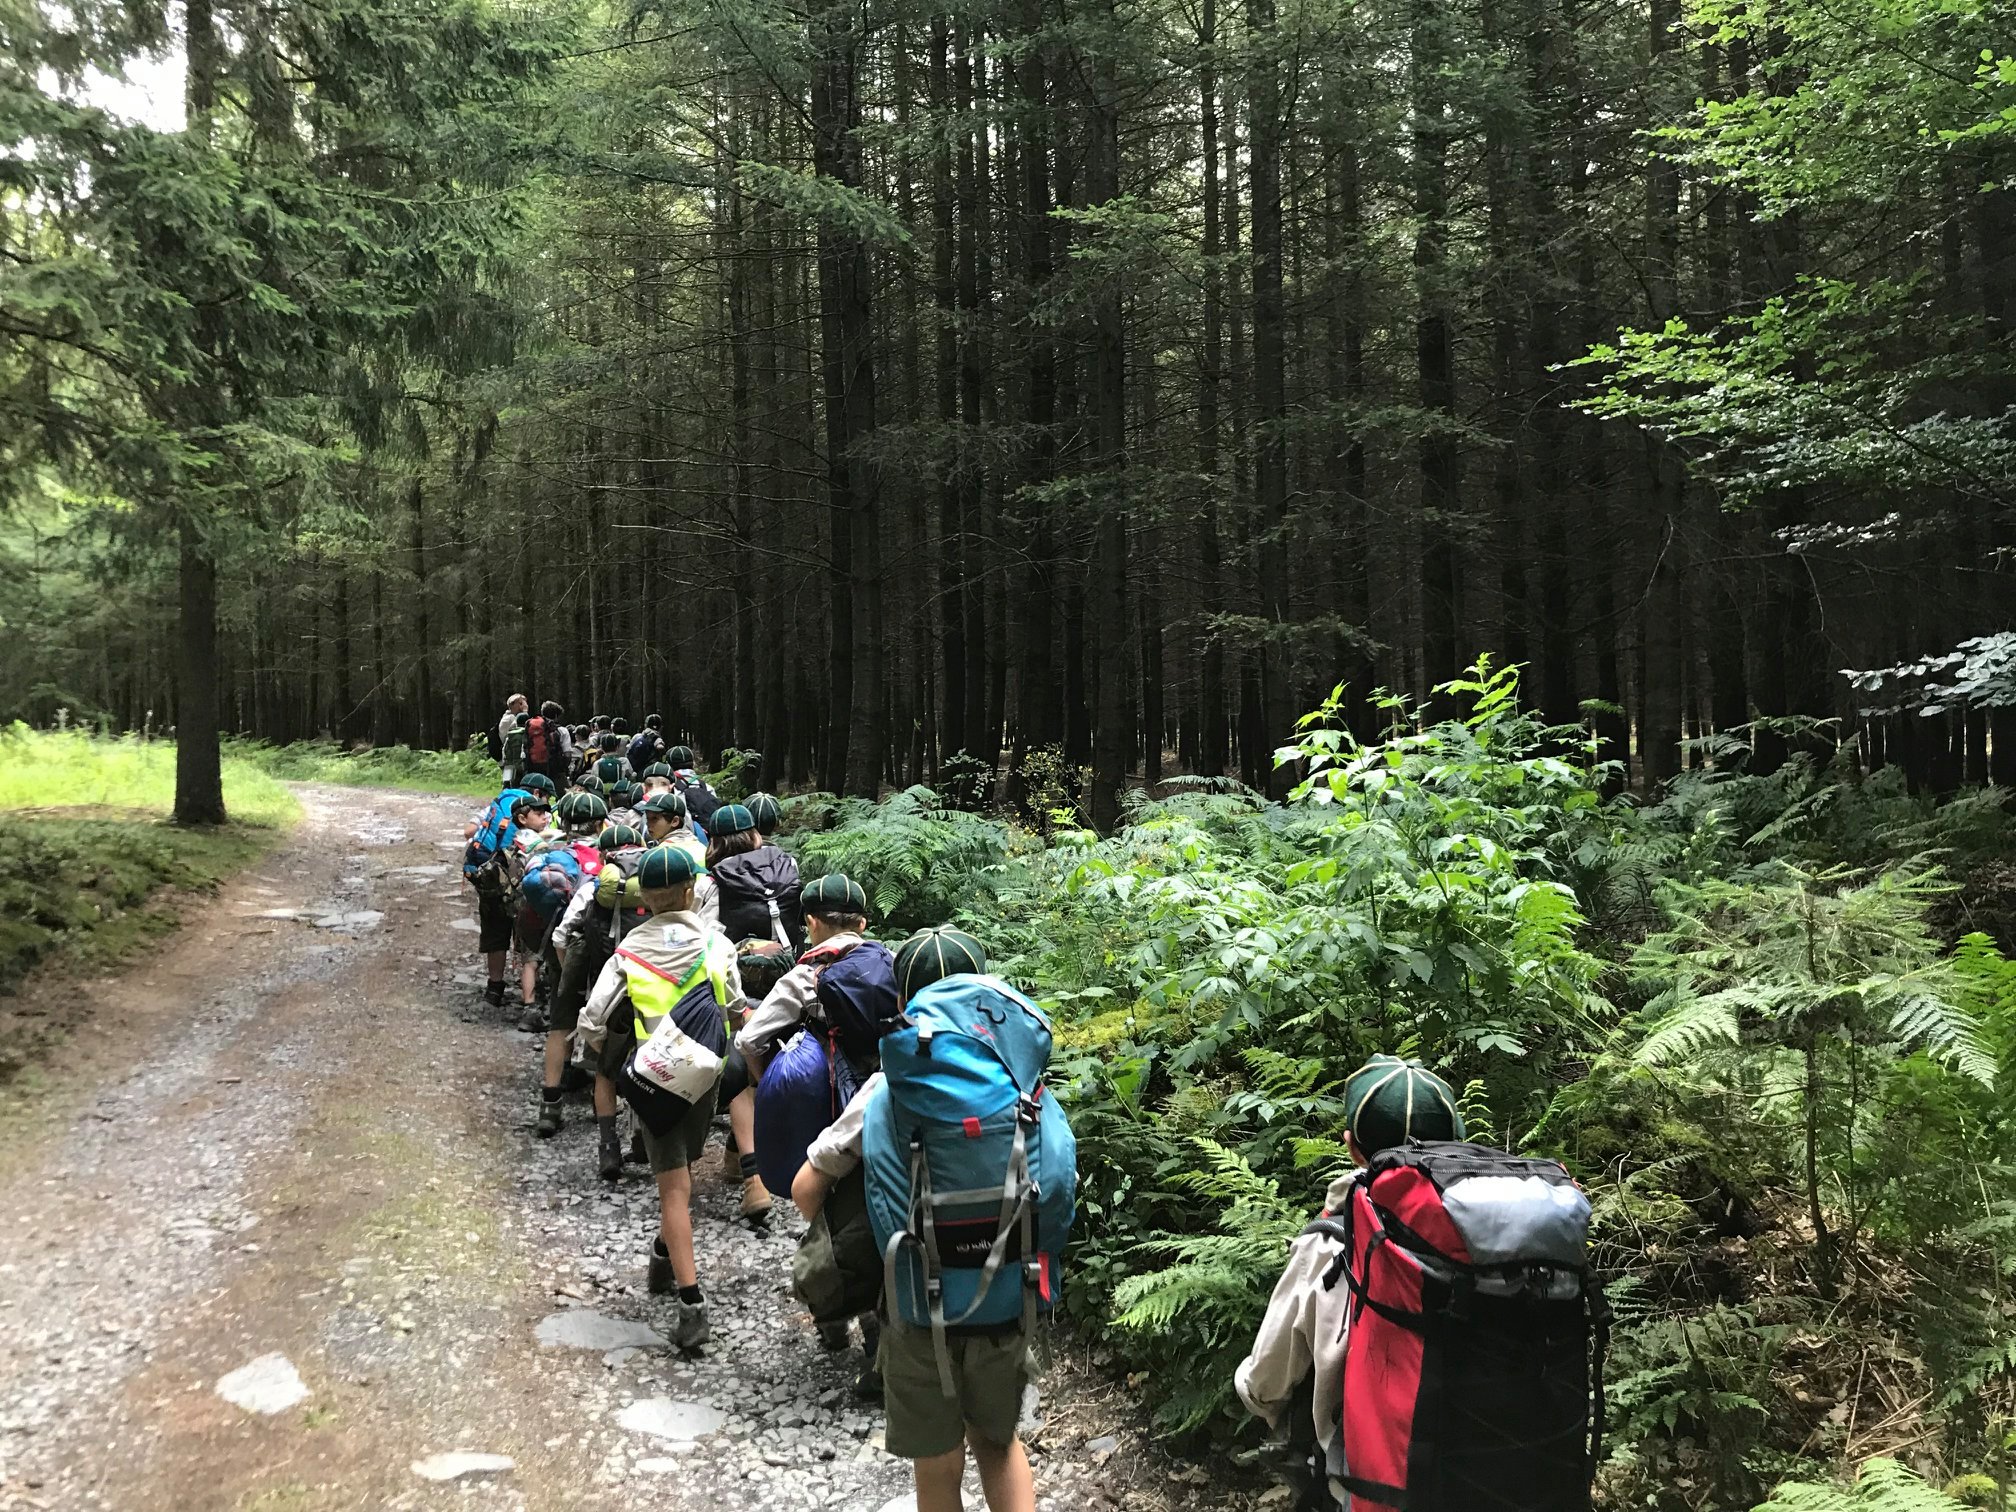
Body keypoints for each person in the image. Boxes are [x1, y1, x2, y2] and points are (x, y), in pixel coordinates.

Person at [791, 926, 1035, 1512]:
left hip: (916, 1304)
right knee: (999, 1445)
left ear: (901, 1000)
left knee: (938, 1461)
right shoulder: (1021, 1083)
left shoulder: (887, 1087)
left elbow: (804, 1190)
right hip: (1007, 1296)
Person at [1233, 1056, 1466, 1510]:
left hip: (1375, 1488)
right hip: (1508, 1475)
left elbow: (1267, 1380)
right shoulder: (1495, 1232)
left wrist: (1254, 1392)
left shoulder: (1331, 1244)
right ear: (1456, 1139)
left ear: (1353, 1148)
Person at [579, 846, 743, 1347]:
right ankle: (663, 1253)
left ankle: (691, 1304)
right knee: (683, 1170)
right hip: (705, 1074)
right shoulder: (717, 944)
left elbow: (593, 1018)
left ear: (645, 898)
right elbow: (736, 1006)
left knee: (673, 1187)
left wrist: (607, 1055)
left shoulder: (628, 951)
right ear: (692, 892)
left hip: (657, 1078)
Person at [732, 873, 881, 1221]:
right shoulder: (889, 960)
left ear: (811, 923)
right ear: (862, 924)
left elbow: (748, 1040)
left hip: (830, 1104)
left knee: (828, 1191)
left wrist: (767, 1082)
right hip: (883, 1095)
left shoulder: (805, 976)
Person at [551, 823, 650, 1180]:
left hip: (606, 993)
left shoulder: (593, 889)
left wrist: (579, 975)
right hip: (652, 993)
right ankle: (642, 1138)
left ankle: (608, 1146)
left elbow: (561, 937)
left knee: (606, 1072)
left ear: (606, 856)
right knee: (646, 1065)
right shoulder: (654, 889)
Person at [707, 804, 806, 953]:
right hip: (790, 956)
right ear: (754, 834)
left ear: (714, 842)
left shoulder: (715, 880)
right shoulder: (785, 862)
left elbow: (707, 934)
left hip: (742, 961)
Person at [526, 701, 571, 789]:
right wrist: (564, 768)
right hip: (555, 770)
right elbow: (567, 754)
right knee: (564, 794)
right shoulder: (562, 731)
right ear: (556, 716)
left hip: (535, 768)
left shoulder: (532, 728)